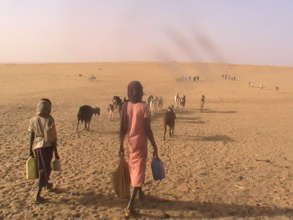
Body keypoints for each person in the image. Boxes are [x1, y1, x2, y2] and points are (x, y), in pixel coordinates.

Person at [119, 81, 159, 216]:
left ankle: (140, 194)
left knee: (133, 168)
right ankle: (130, 206)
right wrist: (154, 144)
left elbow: (122, 128)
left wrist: (120, 145)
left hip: (129, 143)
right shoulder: (144, 107)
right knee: (139, 172)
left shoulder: (125, 105)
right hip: (140, 143)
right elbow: (148, 129)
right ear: (141, 92)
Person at [28, 98, 59, 203]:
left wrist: (30, 150)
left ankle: (47, 184)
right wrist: (56, 151)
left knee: (44, 167)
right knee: (44, 169)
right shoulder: (50, 119)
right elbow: (53, 137)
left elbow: (31, 135)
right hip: (47, 147)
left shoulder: (32, 119)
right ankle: (37, 194)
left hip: (36, 147)